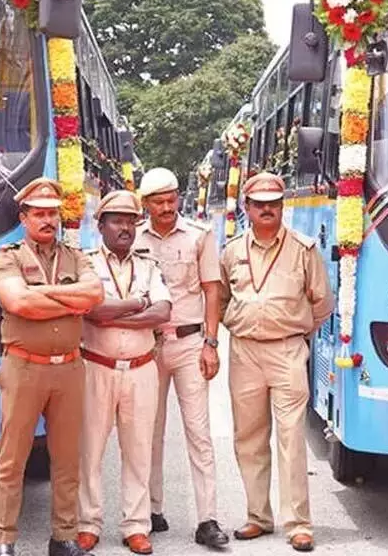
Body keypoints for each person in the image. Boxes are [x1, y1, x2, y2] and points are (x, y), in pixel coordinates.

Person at [0, 177, 106, 556]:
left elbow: (94, 295)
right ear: (24, 217)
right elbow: (18, 303)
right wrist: (70, 301)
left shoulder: (77, 256)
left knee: (68, 458)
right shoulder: (7, 257)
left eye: (52, 213)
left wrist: (42, 293)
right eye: (39, 213)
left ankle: (64, 536)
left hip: (69, 369)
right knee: (13, 459)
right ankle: (3, 540)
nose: (48, 221)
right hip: (24, 368)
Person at [218, 172, 333, 553]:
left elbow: (322, 302)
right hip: (245, 351)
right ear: (247, 208)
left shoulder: (303, 249)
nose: (267, 209)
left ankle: (298, 523)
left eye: (274, 203)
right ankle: (257, 516)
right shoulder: (232, 250)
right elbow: (220, 301)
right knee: (248, 438)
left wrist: (297, 334)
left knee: (290, 438)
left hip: (287, 351)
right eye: (260, 203)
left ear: (282, 206)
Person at [135, 167, 230, 549]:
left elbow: (212, 291)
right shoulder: (135, 238)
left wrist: (211, 343)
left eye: (172, 199)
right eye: (158, 202)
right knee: (148, 431)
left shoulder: (199, 235)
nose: (167, 207)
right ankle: (151, 511)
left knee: (199, 433)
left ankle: (207, 518)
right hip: (148, 345)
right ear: (146, 205)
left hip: (190, 343)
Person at [76, 190, 173, 555]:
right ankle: (87, 523)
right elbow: (92, 311)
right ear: (100, 225)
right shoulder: (85, 265)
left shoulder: (148, 264)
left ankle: (136, 525)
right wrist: (138, 303)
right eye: (117, 220)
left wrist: (117, 312)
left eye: (131, 221)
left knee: (138, 451)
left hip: (141, 369)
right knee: (90, 450)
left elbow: (163, 312)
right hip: (96, 367)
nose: (125, 228)